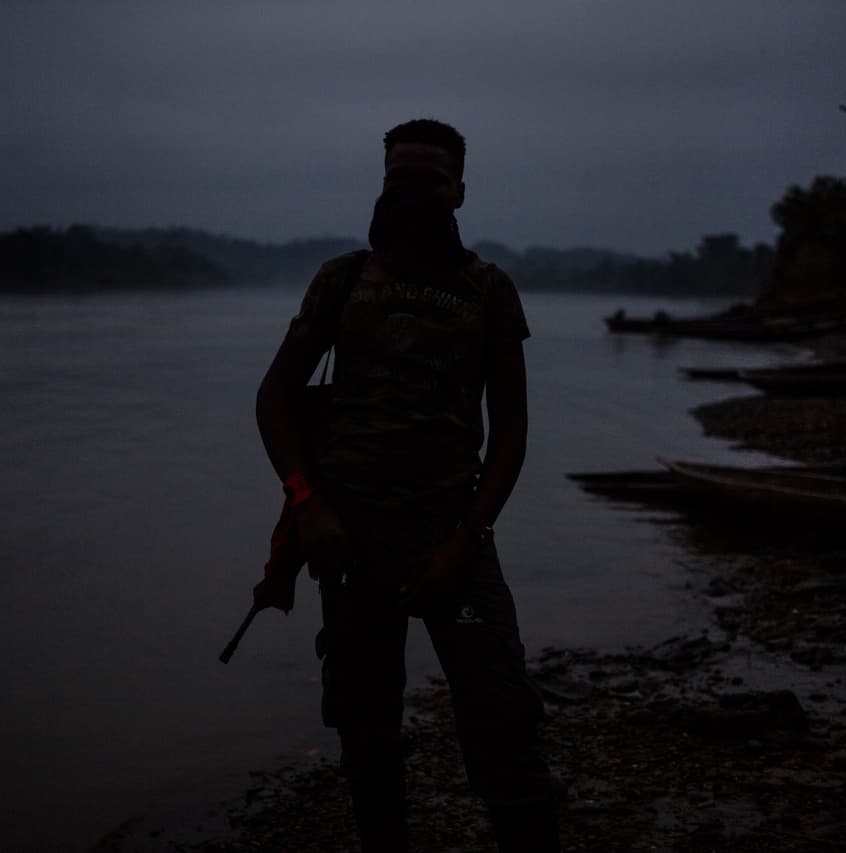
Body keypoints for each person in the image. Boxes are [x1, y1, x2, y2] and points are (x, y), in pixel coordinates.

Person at [256, 118, 559, 852]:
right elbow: (274, 398)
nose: (413, 191)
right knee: (365, 732)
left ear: (459, 190)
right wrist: (308, 504)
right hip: (347, 540)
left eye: (430, 178)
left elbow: (512, 430)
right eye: (399, 178)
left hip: (452, 534)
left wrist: (467, 539)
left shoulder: (488, 289)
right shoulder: (341, 280)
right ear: (383, 185)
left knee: (502, 712)